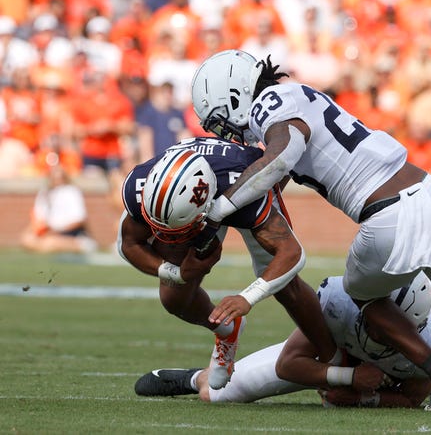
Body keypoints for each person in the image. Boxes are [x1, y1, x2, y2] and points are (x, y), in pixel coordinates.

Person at [189, 49, 431, 417]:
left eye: (222, 119)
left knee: (362, 297)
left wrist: (218, 210)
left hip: (392, 213)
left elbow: (285, 151)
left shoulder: (269, 104)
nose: (228, 131)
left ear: (237, 92)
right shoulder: (298, 95)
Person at [134, 274, 431, 407]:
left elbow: (422, 389)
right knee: (220, 392)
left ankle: (197, 381)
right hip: (335, 350)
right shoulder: (342, 302)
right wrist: (347, 375)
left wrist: (370, 398)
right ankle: (191, 377)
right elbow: (290, 363)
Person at [117, 137, 336, 391]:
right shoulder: (141, 183)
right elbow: (129, 244)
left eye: (177, 230)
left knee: (285, 286)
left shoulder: (246, 193)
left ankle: (332, 358)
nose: (165, 237)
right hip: (196, 196)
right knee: (173, 298)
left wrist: (247, 298)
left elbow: (291, 253)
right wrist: (174, 273)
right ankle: (226, 329)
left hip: (236, 187)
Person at [21, 163, 97, 254]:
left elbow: (79, 220)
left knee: (51, 242)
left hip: (70, 235)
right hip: (48, 233)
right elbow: (39, 218)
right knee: (27, 239)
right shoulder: (44, 193)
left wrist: (56, 230)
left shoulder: (72, 192)